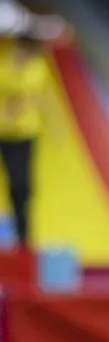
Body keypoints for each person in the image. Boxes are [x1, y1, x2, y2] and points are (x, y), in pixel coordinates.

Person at [0, 34, 53, 248]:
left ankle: (23, 240)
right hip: (2, 132)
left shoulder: (38, 69)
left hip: (24, 135)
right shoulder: (4, 68)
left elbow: (40, 98)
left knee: (22, 186)